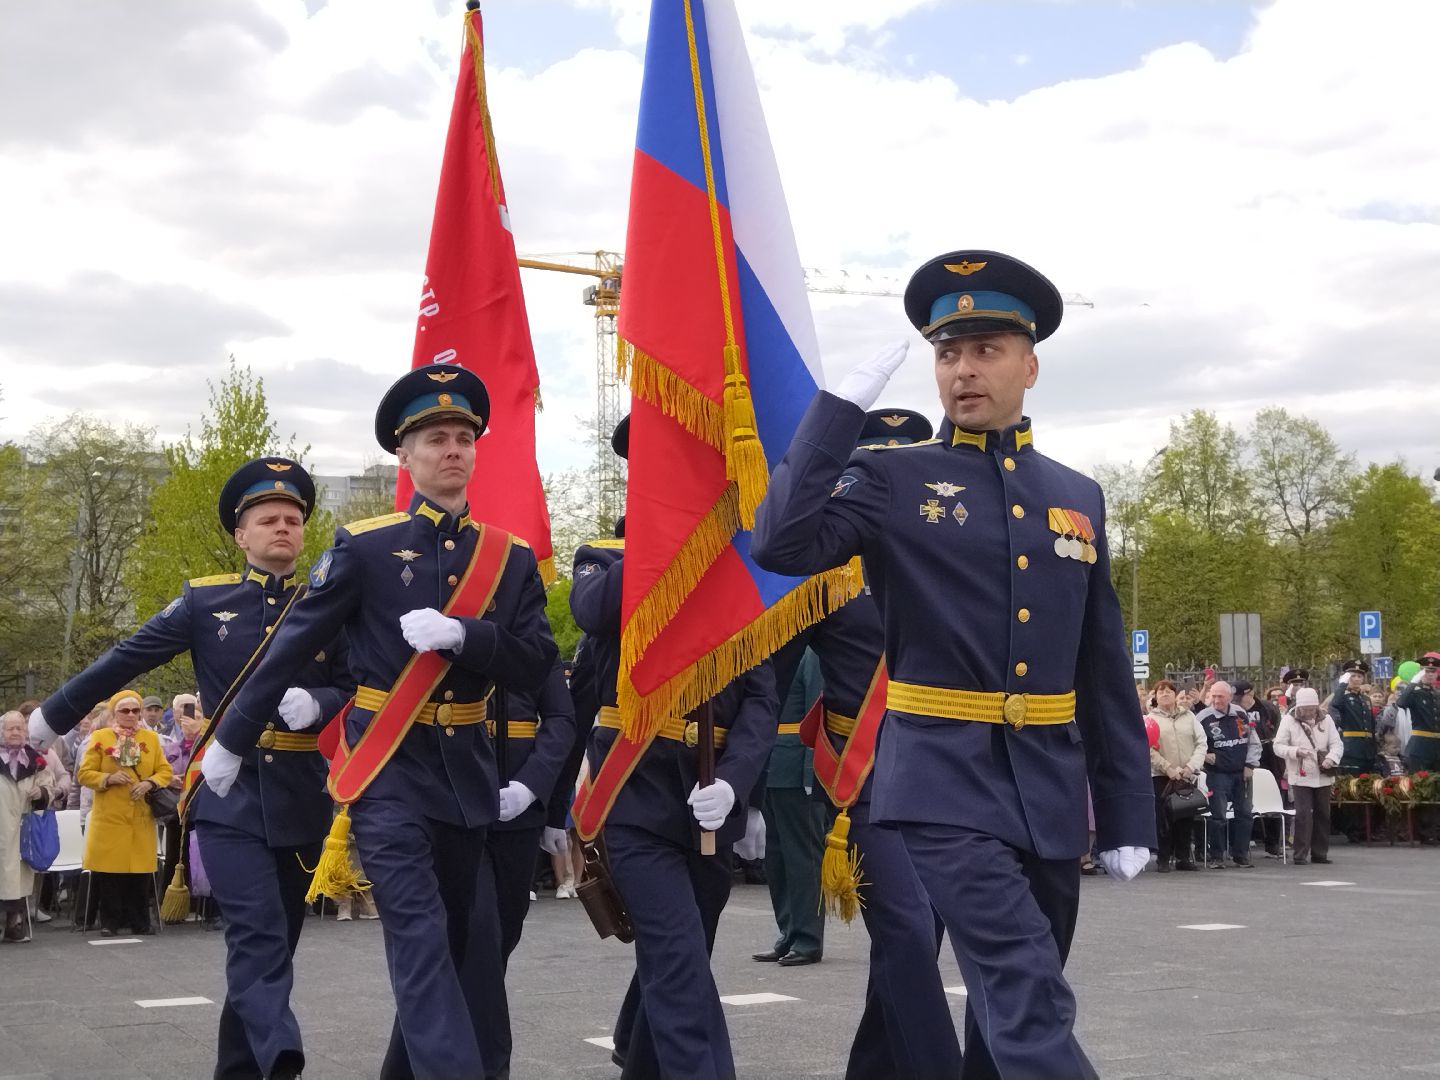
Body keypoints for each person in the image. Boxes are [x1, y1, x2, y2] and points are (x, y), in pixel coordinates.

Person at [752, 249, 1155, 1078]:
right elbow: (781, 543)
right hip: (940, 782)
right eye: (948, 353)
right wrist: (834, 415)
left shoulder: (1076, 495)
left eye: (986, 350)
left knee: (1009, 1014)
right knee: (1027, 989)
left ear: (1029, 365)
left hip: (1046, 786)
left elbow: (1102, 665)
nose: (963, 370)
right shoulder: (892, 477)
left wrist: (1125, 813)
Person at [207, 364, 557, 1080]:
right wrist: (232, 738)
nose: (452, 450)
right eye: (435, 439)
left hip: (466, 776)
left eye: (463, 438)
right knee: (420, 940)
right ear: (406, 455)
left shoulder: (511, 557)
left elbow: (536, 665)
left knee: (462, 944)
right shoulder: (363, 546)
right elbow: (291, 646)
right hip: (387, 774)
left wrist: (467, 637)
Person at [31, 456, 351, 1080]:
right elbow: (126, 658)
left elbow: (356, 681)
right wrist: (50, 716)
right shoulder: (207, 601)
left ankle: (239, 1070)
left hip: (300, 795)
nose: (283, 528)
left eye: (293, 519)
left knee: (275, 946)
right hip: (228, 795)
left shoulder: (328, 603)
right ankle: (282, 1054)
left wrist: (321, 702)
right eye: (268, 519)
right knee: (256, 933)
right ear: (241, 534)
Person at [570, 500, 776, 1080]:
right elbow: (593, 611)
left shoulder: (737, 573)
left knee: (684, 953)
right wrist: (663, 544)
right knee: (679, 961)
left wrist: (737, 785)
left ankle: (637, 1055)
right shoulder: (604, 558)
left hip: (709, 802)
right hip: (634, 795)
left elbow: (761, 699)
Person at [468, 656, 576, 1077]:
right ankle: (487, 1066)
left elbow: (561, 719)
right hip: (456, 802)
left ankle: (413, 1059)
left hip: (519, 808)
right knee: (478, 938)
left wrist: (534, 786)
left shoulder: (533, 639)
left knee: (499, 940)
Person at [75, 690, 173, 935]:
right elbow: (84, 774)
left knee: (140, 873)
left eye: (135, 710)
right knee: (110, 873)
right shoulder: (100, 737)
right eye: (125, 710)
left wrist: (149, 783)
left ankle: (140, 922)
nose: (131, 715)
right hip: (110, 817)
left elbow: (165, 771)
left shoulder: (151, 739)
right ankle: (110, 923)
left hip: (140, 817)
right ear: (114, 713)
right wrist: (108, 778)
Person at [755, 647, 826, 967]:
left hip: (797, 767)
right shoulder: (773, 651)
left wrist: (812, 772)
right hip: (772, 765)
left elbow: (816, 712)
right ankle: (788, 931)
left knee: (803, 860)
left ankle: (808, 938)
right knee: (776, 859)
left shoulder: (810, 654)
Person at [1, 710, 57, 942]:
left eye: (20, 728)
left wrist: (41, 792)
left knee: (17, 878)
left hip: (23, 828)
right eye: (10, 728)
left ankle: (15, 926)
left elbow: (49, 786)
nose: (15, 732)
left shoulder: (35, 760)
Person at [1273, 687, 1342, 864]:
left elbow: (1336, 744)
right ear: (1299, 707)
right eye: (1305, 709)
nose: (1309, 713)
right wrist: (1295, 751)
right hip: (1300, 773)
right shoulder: (1289, 720)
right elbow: (1278, 746)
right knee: (1303, 814)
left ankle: (1320, 853)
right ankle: (1300, 854)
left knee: (1323, 813)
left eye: (1312, 709)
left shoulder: (1326, 719)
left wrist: (1331, 758)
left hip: (1323, 773)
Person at [1197, 682, 1261, 869]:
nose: (1216, 700)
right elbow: (1194, 743)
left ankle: (1240, 855)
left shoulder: (1240, 713)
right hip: (1217, 774)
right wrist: (1204, 755)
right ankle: (1217, 856)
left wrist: (1250, 764)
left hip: (1241, 772)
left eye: (1221, 696)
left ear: (1230, 697)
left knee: (1245, 814)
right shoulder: (1203, 717)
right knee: (1218, 816)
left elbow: (1253, 742)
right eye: (1214, 696)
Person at [1148, 680, 1206, 872]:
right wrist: (1168, 768)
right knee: (1163, 818)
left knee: (1186, 816)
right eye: (1161, 692)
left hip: (1186, 775)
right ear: (1155, 697)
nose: (1165, 694)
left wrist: (1190, 766)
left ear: (1175, 695)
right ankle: (1163, 858)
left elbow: (1201, 743)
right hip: (1162, 776)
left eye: (1169, 691)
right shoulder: (1150, 719)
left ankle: (1183, 857)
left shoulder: (1189, 716)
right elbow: (1148, 748)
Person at [1235, 680, 1286, 858]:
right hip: (1243, 756)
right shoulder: (1234, 709)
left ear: (1250, 693)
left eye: (1240, 696)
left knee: (1272, 797)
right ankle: (1244, 841)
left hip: (1268, 756)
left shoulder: (1267, 708)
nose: (1237, 700)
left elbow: (1278, 728)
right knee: (1244, 800)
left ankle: (1273, 844)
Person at [1397, 653, 1440, 772]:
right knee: (1419, 781)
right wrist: (1413, 683)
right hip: (1420, 747)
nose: (1430, 674)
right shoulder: (1415, 693)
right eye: (1426, 671)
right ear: (1420, 673)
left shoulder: (1437, 694)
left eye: (1433, 671)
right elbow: (1401, 702)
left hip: (1437, 748)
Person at [1330, 669, 1377, 774]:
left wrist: (1374, 749)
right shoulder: (1343, 697)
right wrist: (1342, 684)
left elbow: (1372, 726)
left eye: (1359, 676)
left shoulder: (1366, 699)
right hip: (1351, 750)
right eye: (1353, 676)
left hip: (1367, 750)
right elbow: (1335, 703)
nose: (1356, 679)